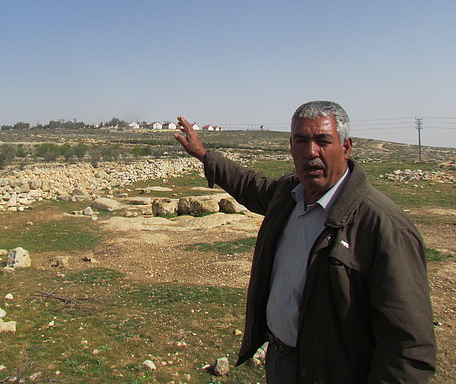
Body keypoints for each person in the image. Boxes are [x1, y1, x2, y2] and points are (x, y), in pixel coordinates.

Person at [174, 101, 435, 384]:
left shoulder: (382, 225)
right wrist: (203, 154)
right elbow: (248, 184)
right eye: (302, 141)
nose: (311, 152)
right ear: (291, 146)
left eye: (323, 141)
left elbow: (408, 348)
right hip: (280, 359)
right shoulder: (288, 195)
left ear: (346, 147)